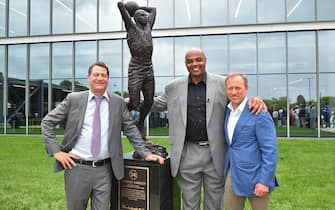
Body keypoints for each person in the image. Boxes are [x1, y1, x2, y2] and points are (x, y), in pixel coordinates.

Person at [151, 48, 266, 210]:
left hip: (216, 153)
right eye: (190, 61)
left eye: (198, 59)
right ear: (185, 64)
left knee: (215, 202)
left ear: (205, 60)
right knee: (189, 204)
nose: (194, 64)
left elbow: (238, 100)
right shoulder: (173, 87)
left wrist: (256, 99)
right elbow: (155, 104)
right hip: (187, 153)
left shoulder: (222, 83)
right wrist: (129, 101)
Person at [41, 62, 164, 210]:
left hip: (105, 170)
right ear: (89, 78)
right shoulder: (74, 99)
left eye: (103, 75)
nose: (100, 78)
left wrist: (145, 153)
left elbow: (130, 129)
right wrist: (56, 152)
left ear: (108, 78)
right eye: (96, 75)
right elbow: (47, 122)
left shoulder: (117, 102)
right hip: (77, 168)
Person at [223, 72, 278, 210]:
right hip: (232, 173)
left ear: (246, 89)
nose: (234, 92)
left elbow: (270, 150)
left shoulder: (259, 112)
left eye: (238, 88)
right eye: (230, 88)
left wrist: (264, 181)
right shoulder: (227, 111)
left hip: (256, 176)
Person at [118, 1, 156, 139]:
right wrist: (132, 10)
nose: (146, 17)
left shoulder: (148, 28)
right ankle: (118, 116)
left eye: (146, 15)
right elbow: (120, 5)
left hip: (148, 68)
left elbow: (153, 9)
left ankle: (139, 122)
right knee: (134, 103)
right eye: (141, 15)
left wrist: (140, 8)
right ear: (135, 18)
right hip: (136, 69)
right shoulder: (132, 29)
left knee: (149, 101)